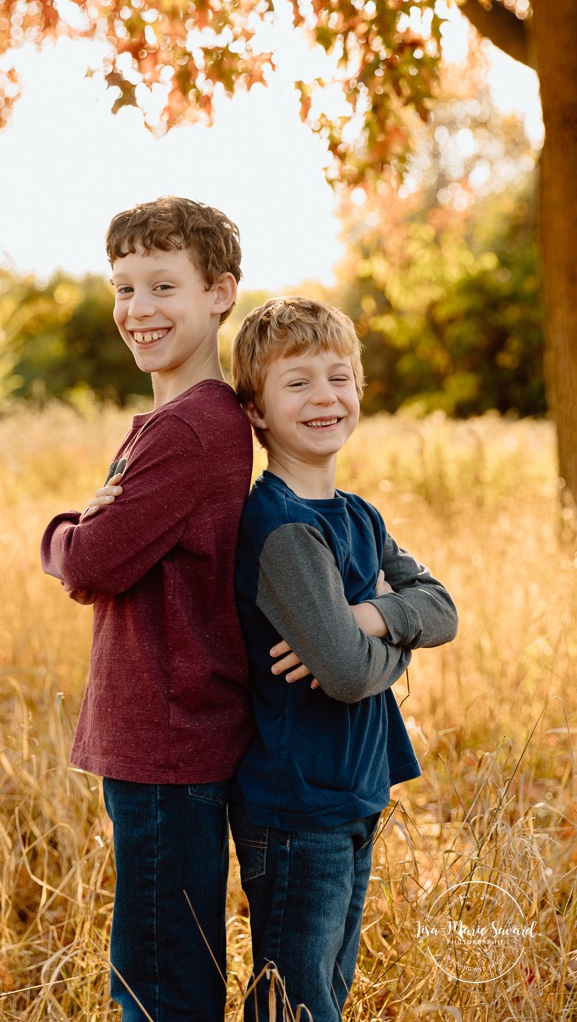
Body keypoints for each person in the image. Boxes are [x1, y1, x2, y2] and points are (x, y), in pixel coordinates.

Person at [40, 196, 255, 1022]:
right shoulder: (179, 421)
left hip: (168, 742)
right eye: (123, 288)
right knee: (160, 963)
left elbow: (91, 559)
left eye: (162, 286)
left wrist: (64, 527)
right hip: (162, 739)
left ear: (220, 293)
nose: (137, 311)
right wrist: (91, 530)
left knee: (159, 986)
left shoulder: (192, 429)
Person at [229, 296, 458, 1021]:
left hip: (352, 789)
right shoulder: (283, 527)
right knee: (294, 1004)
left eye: (339, 377)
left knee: (325, 989)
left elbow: (443, 610)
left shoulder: (357, 514)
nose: (325, 397)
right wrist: (393, 640)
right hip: (297, 804)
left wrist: (367, 617)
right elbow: (349, 672)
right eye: (297, 383)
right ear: (257, 411)